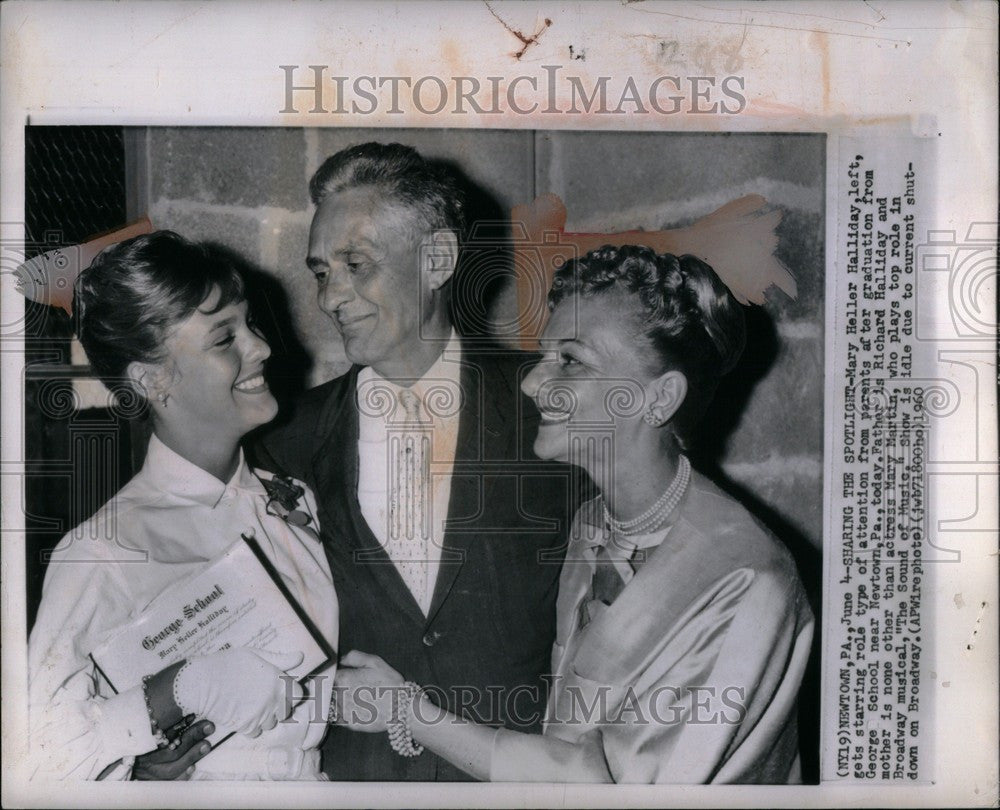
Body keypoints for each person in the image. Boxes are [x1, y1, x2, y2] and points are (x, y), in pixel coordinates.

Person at [333, 245, 815, 783]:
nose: (532, 383)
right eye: (544, 356)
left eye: (571, 361)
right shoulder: (592, 524)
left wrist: (408, 712)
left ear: (659, 399)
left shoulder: (746, 578)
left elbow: (615, 783)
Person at [252, 142, 578, 781]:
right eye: (321, 272)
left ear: (439, 259)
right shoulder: (283, 439)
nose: (329, 298)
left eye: (356, 264)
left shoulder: (553, 408)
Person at [28, 231, 338, 781]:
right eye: (225, 340)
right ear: (152, 380)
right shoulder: (101, 551)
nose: (261, 347)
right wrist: (175, 692)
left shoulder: (294, 502)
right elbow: (34, 763)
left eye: (251, 326)